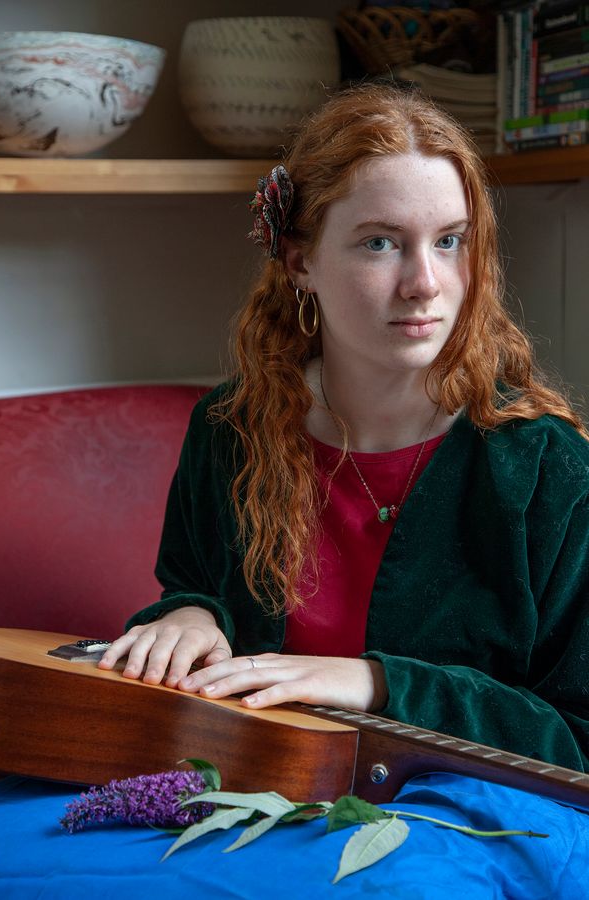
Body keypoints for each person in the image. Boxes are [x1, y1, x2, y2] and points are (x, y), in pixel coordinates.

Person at [99, 81, 589, 774]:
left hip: (462, 818)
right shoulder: (231, 429)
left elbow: (577, 738)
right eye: (380, 243)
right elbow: (193, 589)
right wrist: (187, 619)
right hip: (251, 789)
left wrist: (378, 684)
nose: (425, 282)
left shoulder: (549, 469)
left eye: (450, 241)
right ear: (301, 261)